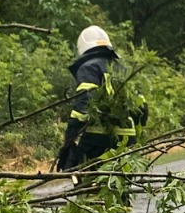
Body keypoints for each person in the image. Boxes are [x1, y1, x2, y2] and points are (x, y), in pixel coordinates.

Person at [55, 25, 147, 171]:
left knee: (90, 186)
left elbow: (85, 103)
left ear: (82, 48)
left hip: (97, 141)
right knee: (119, 188)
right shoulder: (123, 69)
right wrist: (137, 135)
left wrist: (69, 139)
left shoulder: (88, 68)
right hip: (127, 140)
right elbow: (142, 109)